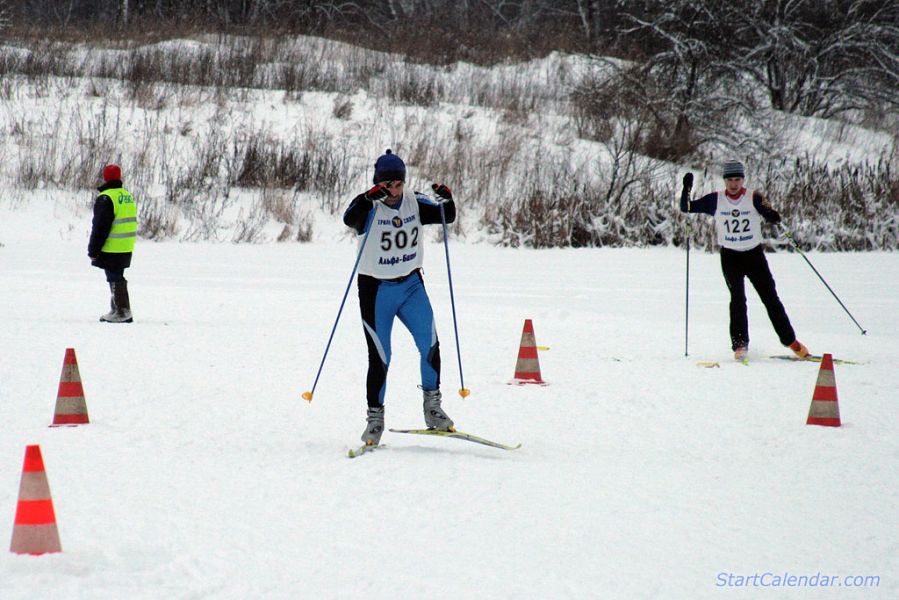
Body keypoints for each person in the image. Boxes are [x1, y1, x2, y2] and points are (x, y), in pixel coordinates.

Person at [343, 149, 456, 446]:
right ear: (378, 185)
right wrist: (370, 197)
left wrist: (447, 199)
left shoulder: (414, 201)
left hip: (410, 287)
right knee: (381, 357)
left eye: (398, 184)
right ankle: (375, 419)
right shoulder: (367, 206)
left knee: (429, 344)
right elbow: (349, 219)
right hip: (376, 290)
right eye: (388, 185)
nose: (394, 191)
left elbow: (448, 216)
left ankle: (432, 408)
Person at [680, 161, 809, 361]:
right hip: (731, 257)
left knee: (770, 298)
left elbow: (772, 214)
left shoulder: (754, 198)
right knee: (738, 300)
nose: (734, 184)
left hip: (754, 255)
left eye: (737, 179)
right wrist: (687, 188)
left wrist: (772, 215)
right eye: (730, 180)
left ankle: (791, 342)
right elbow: (687, 207)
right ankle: (740, 346)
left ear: (743, 180)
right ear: (724, 181)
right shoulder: (716, 200)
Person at [88, 164, 137, 323]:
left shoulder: (106, 197)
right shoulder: (126, 195)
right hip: (126, 244)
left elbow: (100, 226)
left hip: (112, 245)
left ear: (105, 177)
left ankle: (122, 311)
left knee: (114, 276)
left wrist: (93, 249)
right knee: (117, 275)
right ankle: (118, 309)